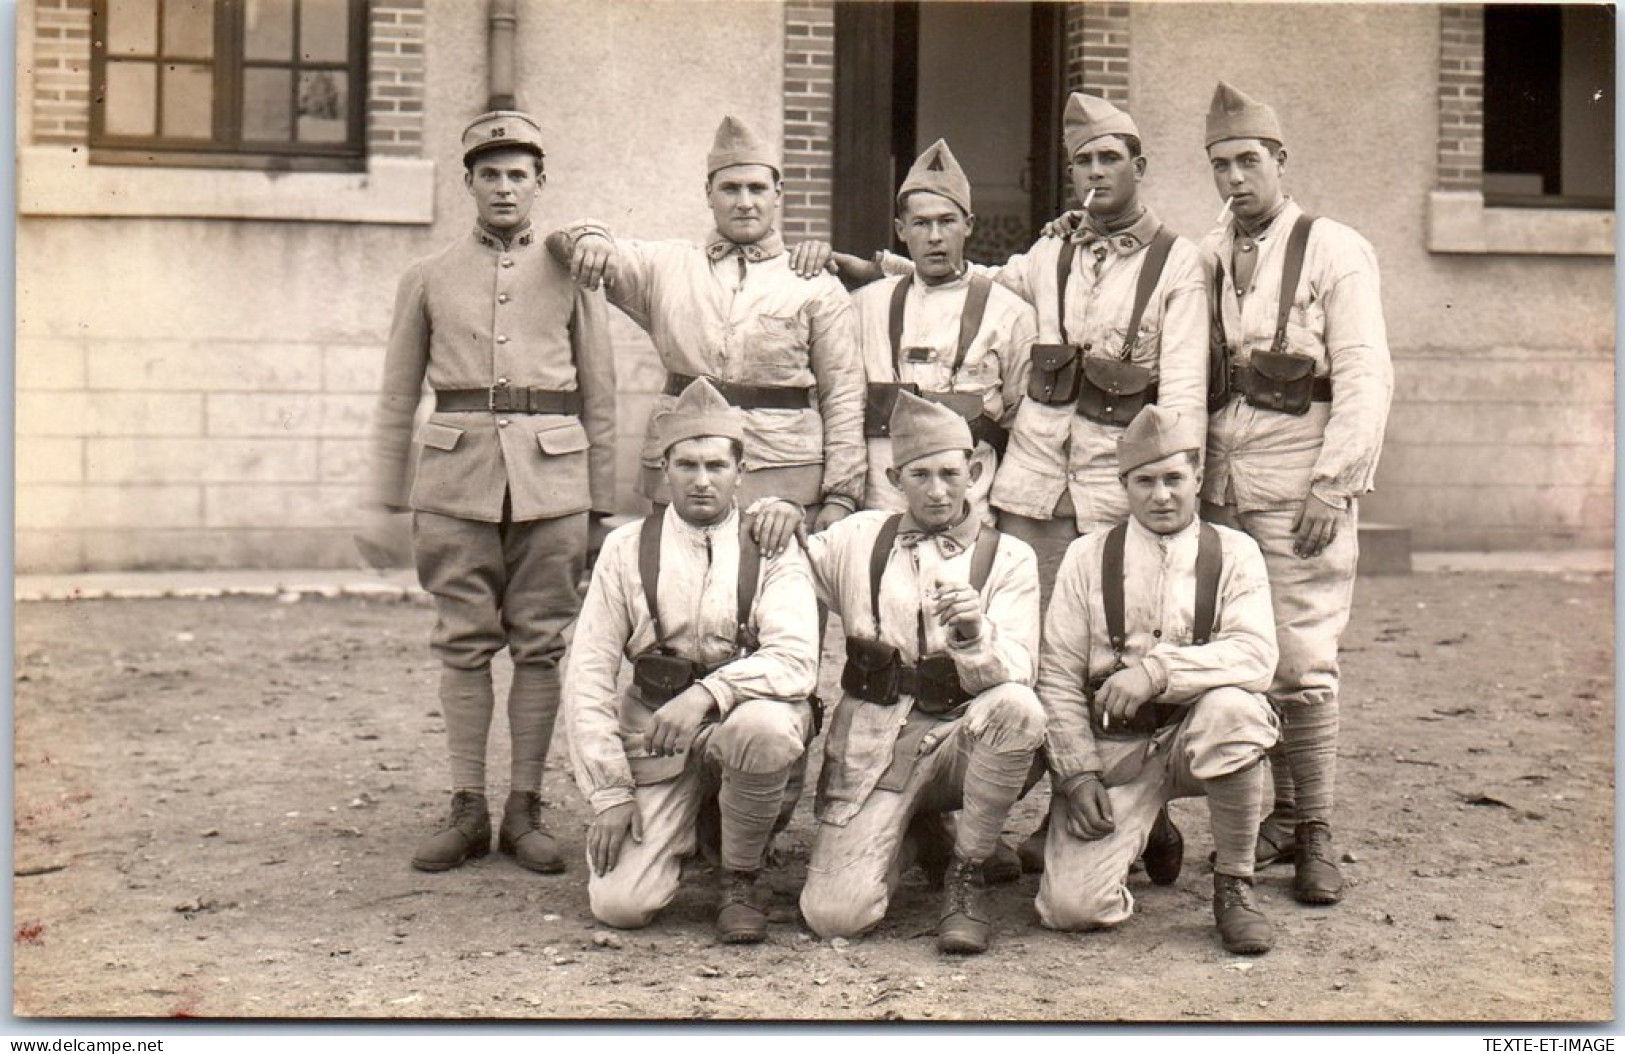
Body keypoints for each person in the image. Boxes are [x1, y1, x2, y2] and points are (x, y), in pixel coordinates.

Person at [359, 110, 616, 876]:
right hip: (454, 480)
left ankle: (524, 807)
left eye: (518, 175)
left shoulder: (572, 272)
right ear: (467, 184)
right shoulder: (428, 276)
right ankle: (467, 806)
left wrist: (599, 506)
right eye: (489, 174)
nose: (504, 187)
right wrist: (383, 501)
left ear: (540, 185)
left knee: (541, 645)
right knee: (463, 644)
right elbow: (395, 396)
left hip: (552, 482)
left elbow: (599, 392)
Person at [754, 391, 1044, 955]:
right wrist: (781, 515)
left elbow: (1020, 672)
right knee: (835, 916)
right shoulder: (856, 538)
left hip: (963, 737)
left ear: (976, 473)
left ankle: (965, 875)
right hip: (875, 742)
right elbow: (785, 564)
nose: (938, 490)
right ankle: (915, 835)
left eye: (951, 474)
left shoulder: (1009, 557)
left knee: (1018, 710)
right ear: (894, 478)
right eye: (921, 475)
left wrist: (973, 636)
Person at [1200, 82, 1393, 905]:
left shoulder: (1332, 247)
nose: (1236, 178)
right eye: (1220, 165)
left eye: (1249, 161)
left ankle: (1312, 830)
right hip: (1221, 475)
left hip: (1297, 475)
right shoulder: (1205, 251)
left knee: (1303, 652)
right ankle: (1267, 819)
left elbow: (1364, 373)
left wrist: (1335, 483)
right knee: (1239, 651)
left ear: (1280, 161)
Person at [564, 379, 820, 943]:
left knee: (764, 726)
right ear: (663, 468)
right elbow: (587, 672)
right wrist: (608, 792)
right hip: (659, 738)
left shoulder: (770, 542)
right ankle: (694, 824)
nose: (702, 481)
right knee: (620, 905)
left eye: (716, 466)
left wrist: (707, 694)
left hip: (743, 727)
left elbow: (798, 660)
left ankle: (741, 875)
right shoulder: (626, 548)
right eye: (686, 465)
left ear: (741, 470)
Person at [1035, 404, 1280, 955]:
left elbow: (1257, 655)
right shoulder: (1086, 557)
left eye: (1174, 478)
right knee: (1071, 910)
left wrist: (1157, 671)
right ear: (1124, 485)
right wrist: (1076, 774)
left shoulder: (1235, 552)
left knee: (1236, 710)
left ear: (1197, 476)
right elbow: (1055, 674)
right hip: (1116, 748)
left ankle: (1235, 884)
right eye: (1145, 481)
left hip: (1197, 740)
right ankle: (1153, 826)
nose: (1161, 495)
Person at [546, 114, 865, 529]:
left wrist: (842, 494)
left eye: (757, 188)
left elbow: (843, 395)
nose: (745, 202)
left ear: (778, 193)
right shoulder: (666, 265)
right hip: (683, 472)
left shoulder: (814, 284)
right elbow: (562, 244)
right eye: (730, 188)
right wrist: (590, 237)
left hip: (783, 478)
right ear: (708, 193)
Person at [849, 138, 1037, 525]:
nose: (935, 236)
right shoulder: (865, 306)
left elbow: (1023, 424)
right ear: (901, 230)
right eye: (921, 223)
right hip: (882, 507)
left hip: (972, 509)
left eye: (947, 221)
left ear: (968, 225)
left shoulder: (1010, 313)